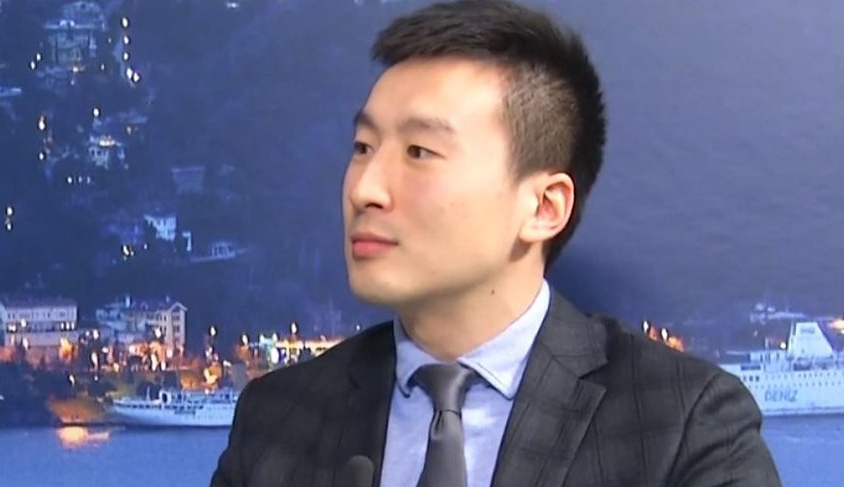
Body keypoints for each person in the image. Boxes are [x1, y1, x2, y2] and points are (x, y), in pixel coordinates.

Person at [210, 1, 782, 486]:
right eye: (363, 147)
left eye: (419, 153)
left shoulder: (683, 424)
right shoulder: (278, 418)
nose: (365, 189)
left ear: (544, 207)